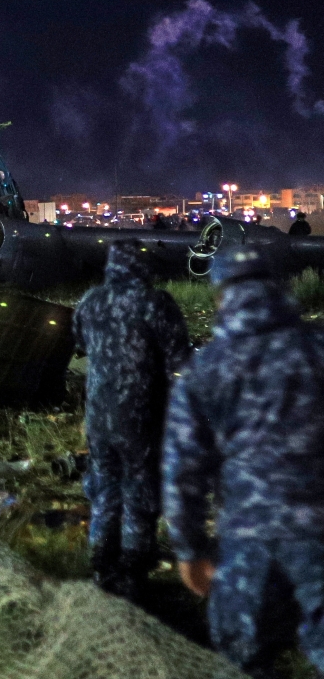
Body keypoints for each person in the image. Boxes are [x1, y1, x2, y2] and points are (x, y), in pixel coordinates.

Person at [165, 246, 324, 677]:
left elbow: (183, 469)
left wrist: (189, 548)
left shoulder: (206, 368)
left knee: (244, 659)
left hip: (247, 540)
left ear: (221, 295)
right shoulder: (317, 349)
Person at [72, 239, 192, 600]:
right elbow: (180, 360)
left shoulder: (90, 301)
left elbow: (81, 344)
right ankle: (132, 571)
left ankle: (100, 561)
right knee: (139, 491)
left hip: (98, 414)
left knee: (105, 486)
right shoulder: (155, 302)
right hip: (141, 415)